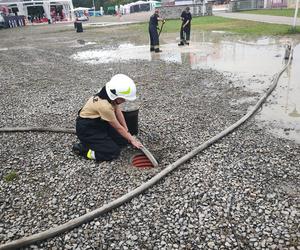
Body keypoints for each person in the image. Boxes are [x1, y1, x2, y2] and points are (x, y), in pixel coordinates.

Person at [73, 74, 142, 162]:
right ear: (116, 95)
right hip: (87, 128)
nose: (125, 101)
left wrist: (127, 131)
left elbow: (118, 112)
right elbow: (118, 127)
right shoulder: (104, 106)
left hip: (99, 123)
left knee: (124, 140)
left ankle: (102, 141)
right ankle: (84, 149)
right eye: (123, 98)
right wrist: (132, 140)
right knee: (112, 152)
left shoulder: (109, 94)